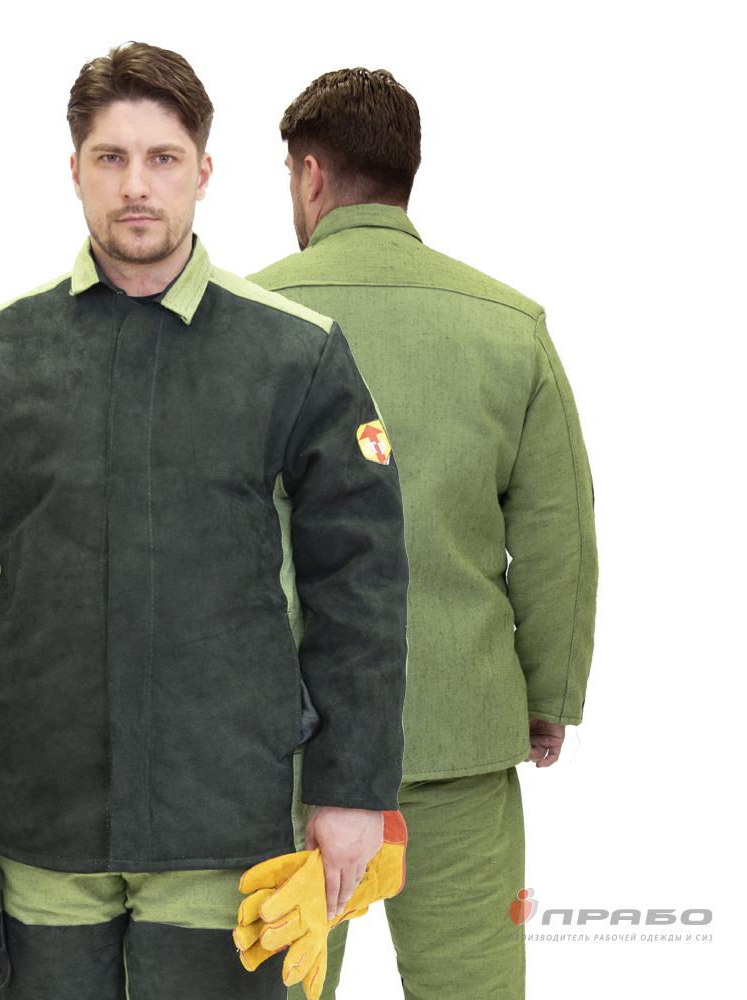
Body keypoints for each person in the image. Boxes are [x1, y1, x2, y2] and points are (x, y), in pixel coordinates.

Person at [0, 44, 410, 1000]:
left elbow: (360, 581)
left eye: (162, 157)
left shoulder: (295, 354)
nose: (136, 185)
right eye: (110, 158)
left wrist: (353, 788)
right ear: (74, 170)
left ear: (204, 170)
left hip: (224, 814)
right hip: (40, 818)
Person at [248, 67, 598, 999]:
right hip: (458, 731)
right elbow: (558, 537)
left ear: (310, 175)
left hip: (279, 747)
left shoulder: (240, 323)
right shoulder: (510, 327)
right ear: (407, 172)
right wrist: (546, 692)